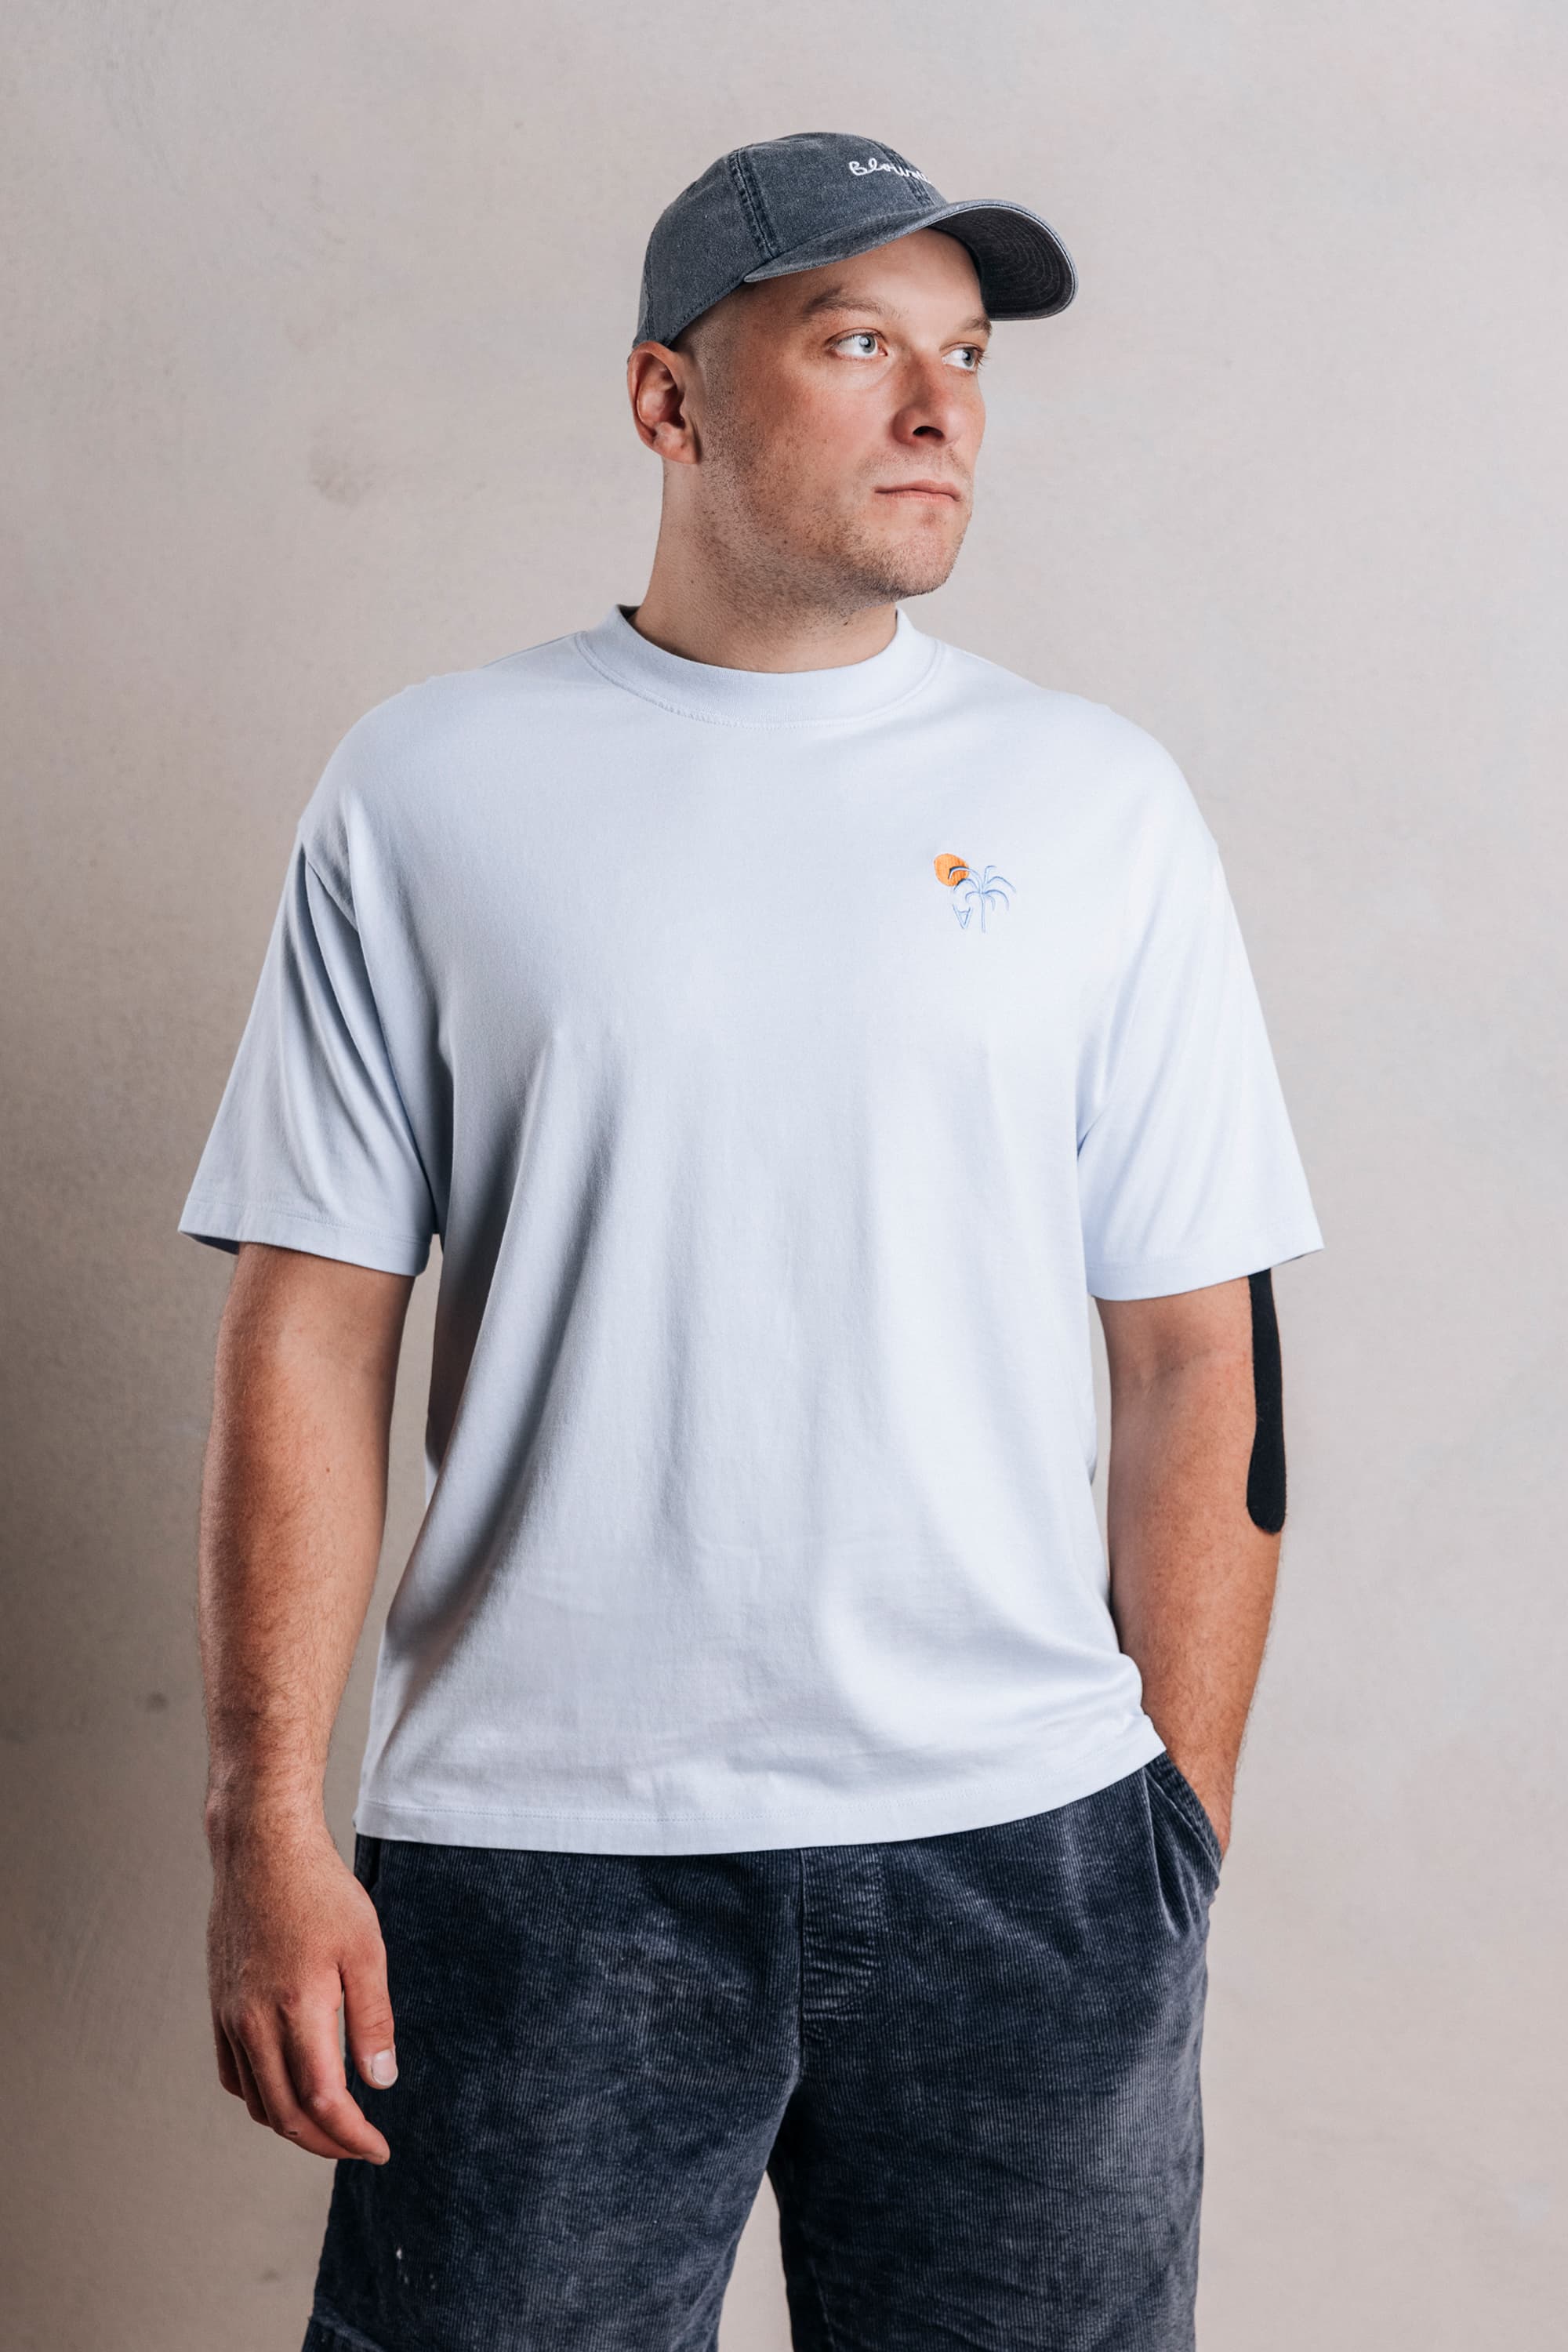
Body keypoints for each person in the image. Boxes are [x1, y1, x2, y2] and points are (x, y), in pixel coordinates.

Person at [183, 131, 1323, 2352]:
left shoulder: (1098, 806)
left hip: (1031, 1865)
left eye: (968, 354)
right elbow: (308, 1332)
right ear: (668, 399)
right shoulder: (429, 787)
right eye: (857, 342)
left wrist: (1167, 1836)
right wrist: (264, 1829)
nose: (941, 407)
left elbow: (1203, 1350)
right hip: (538, 1868)